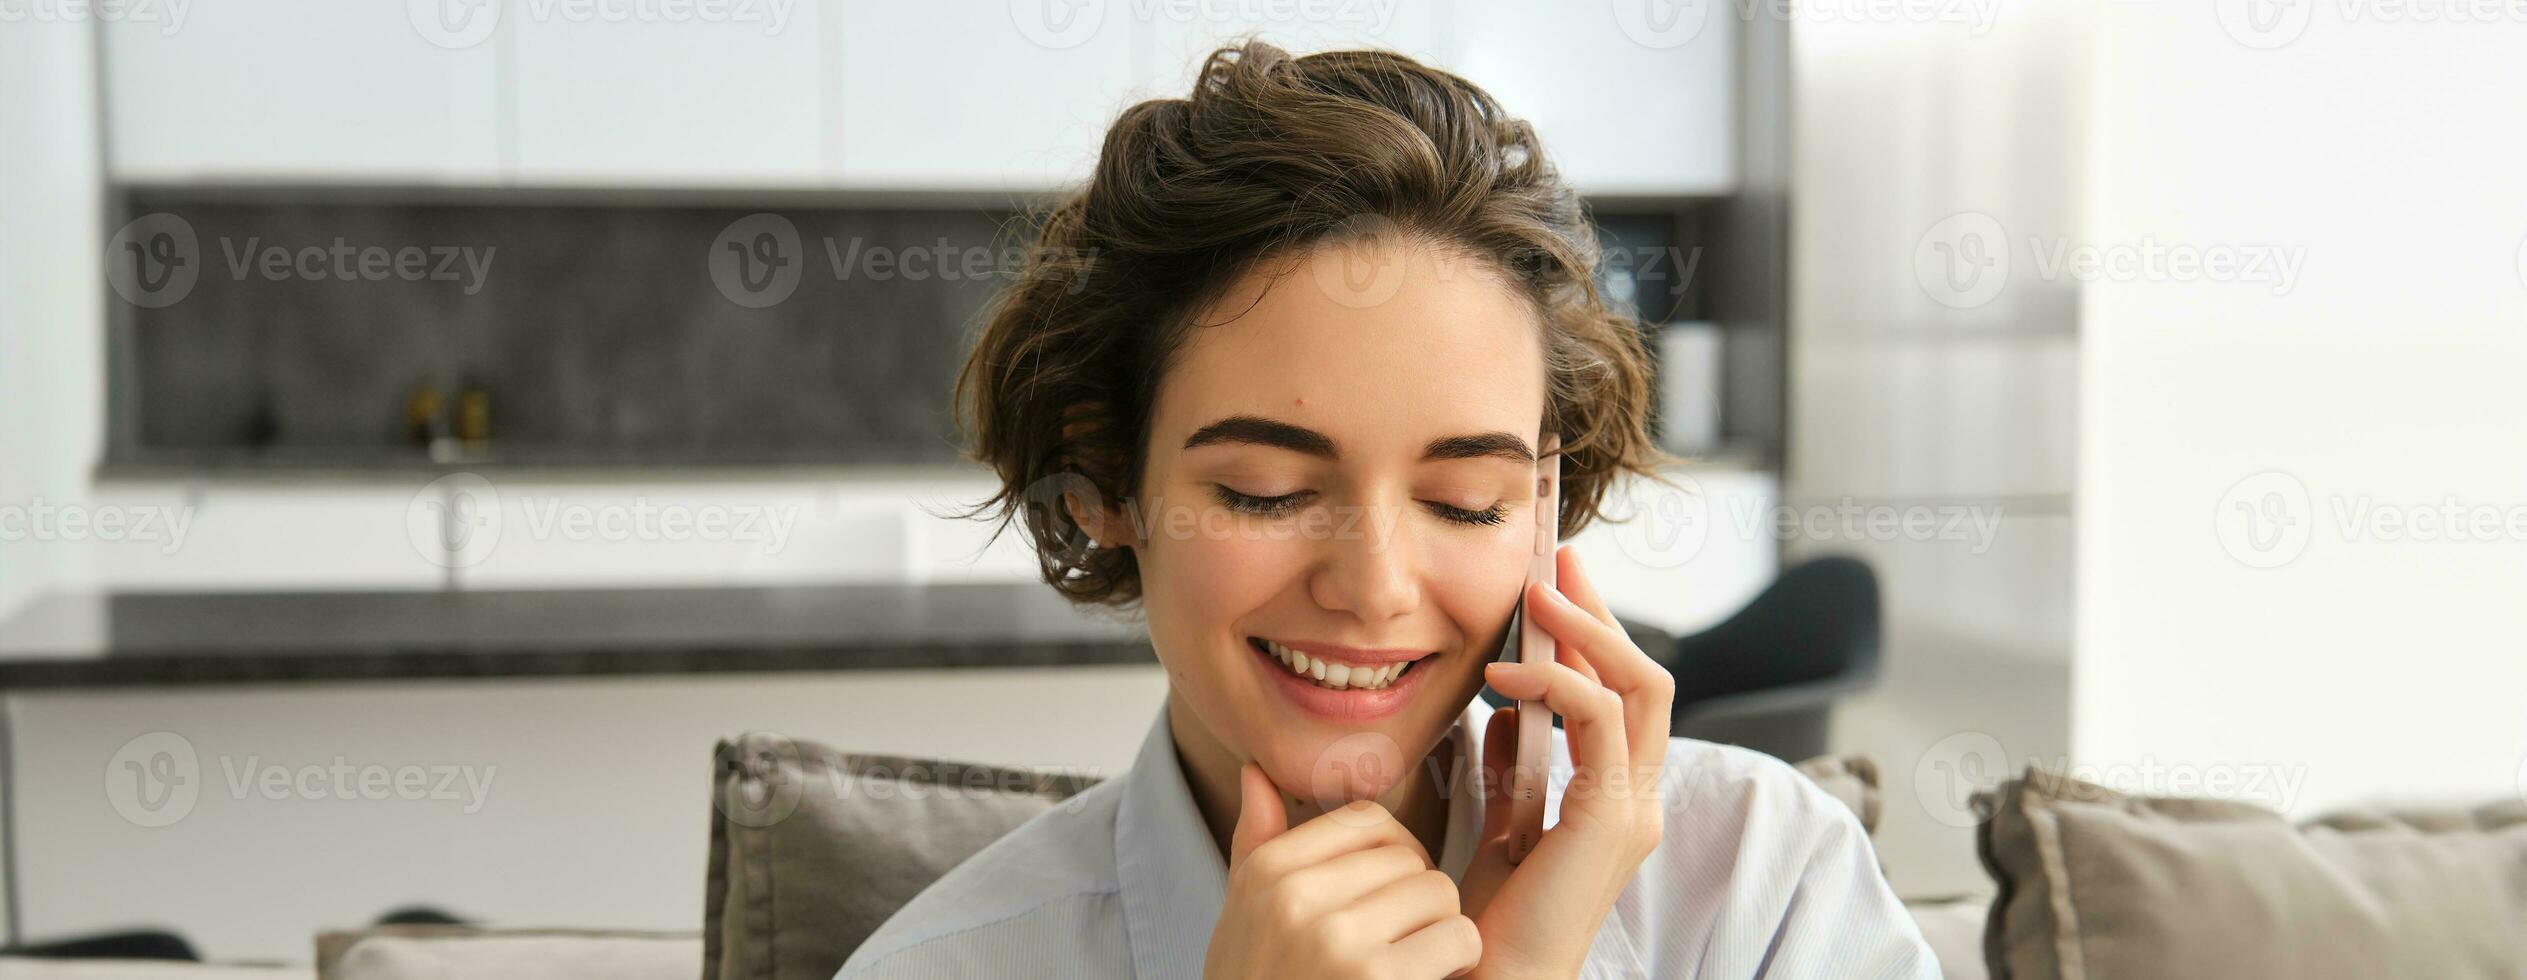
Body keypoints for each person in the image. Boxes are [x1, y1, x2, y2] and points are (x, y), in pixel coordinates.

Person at [836, 40, 1938, 979]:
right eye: (1263, 491)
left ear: (1543, 502)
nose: (1372, 587)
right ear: (1106, 477)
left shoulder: (1760, 881)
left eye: (1465, 502)